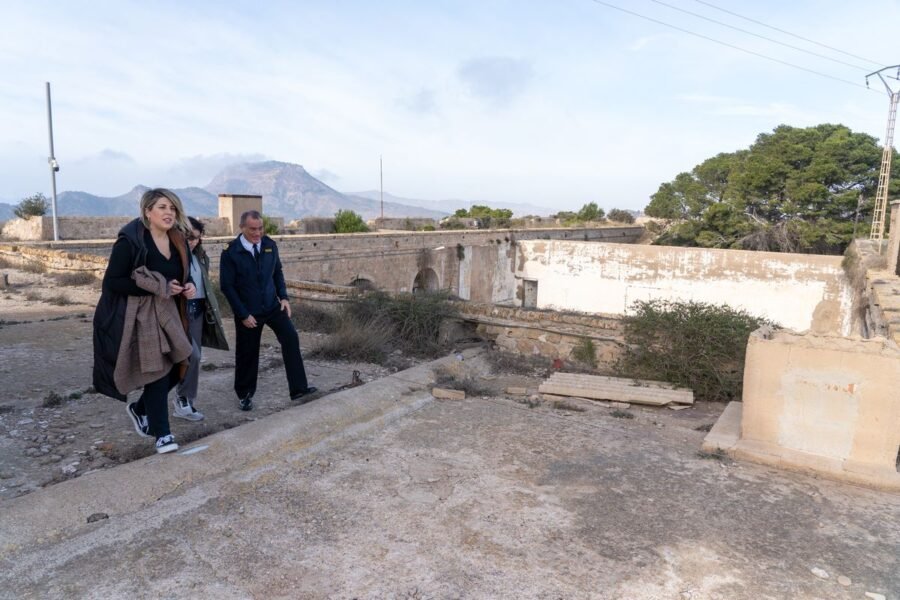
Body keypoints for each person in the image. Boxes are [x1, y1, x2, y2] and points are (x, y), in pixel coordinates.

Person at [92, 188, 195, 454]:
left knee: (183, 360)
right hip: (140, 315)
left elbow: (183, 273)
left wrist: (189, 286)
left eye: (172, 208)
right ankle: (163, 435)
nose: (169, 213)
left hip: (169, 311)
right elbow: (112, 282)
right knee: (157, 370)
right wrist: (155, 288)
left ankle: (140, 409)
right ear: (147, 211)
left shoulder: (178, 240)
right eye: (162, 207)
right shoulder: (131, 241)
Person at [219, 210, 316, 411]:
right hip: (249, 312)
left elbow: (277, 272)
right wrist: (242, 314)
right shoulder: (231, 252)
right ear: (242, 228)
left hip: (272, 307)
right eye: (253, 229)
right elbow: (227, 287)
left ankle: (298, 388)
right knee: (247, 353)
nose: (257, 233)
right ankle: (245, 395)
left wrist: (284, 297)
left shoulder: (270, 245)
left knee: (290, 337)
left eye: (260, 228)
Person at [172, 216, 230, 421]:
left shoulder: (201, 256)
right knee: (192, 356)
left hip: (198, 311)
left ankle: (185, 399)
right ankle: (180, 399)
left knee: (193, 357)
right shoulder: (173, 256)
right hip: (180, 311)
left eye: (196, 238)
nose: (192, 241)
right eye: (188, 237)